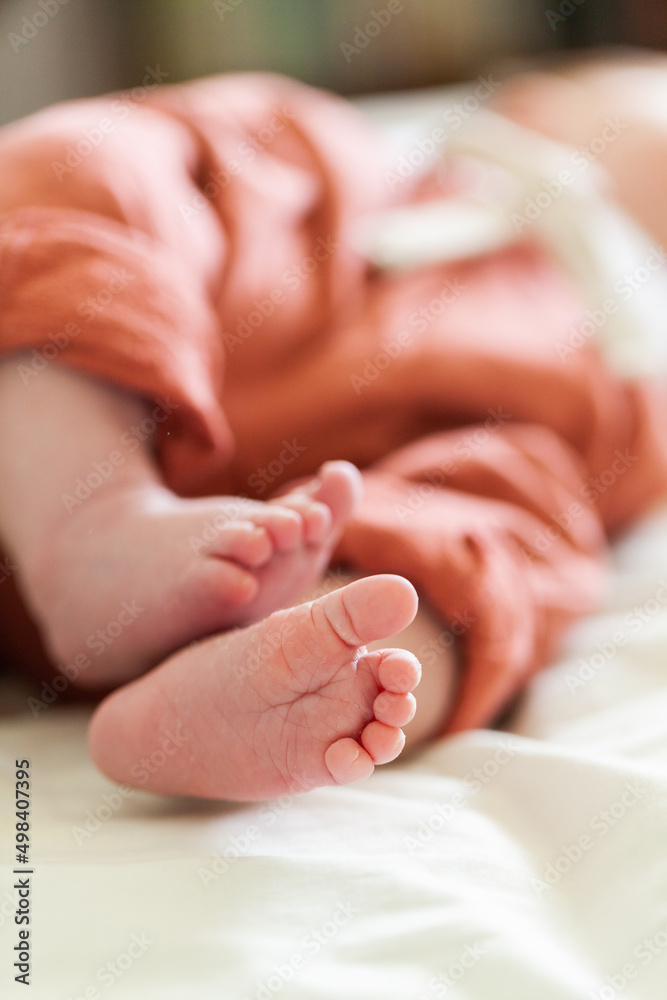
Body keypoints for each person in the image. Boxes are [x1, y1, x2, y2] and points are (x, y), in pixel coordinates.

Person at [1, 53, 666, 801]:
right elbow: (175, 153)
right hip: (48, 396)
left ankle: (292, 675)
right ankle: (92, 517)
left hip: (274, 555)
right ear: (535, 105)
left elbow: (536, 514)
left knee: (495, 554)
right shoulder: (335, 156)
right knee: (97, 164)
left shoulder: (626, 392)